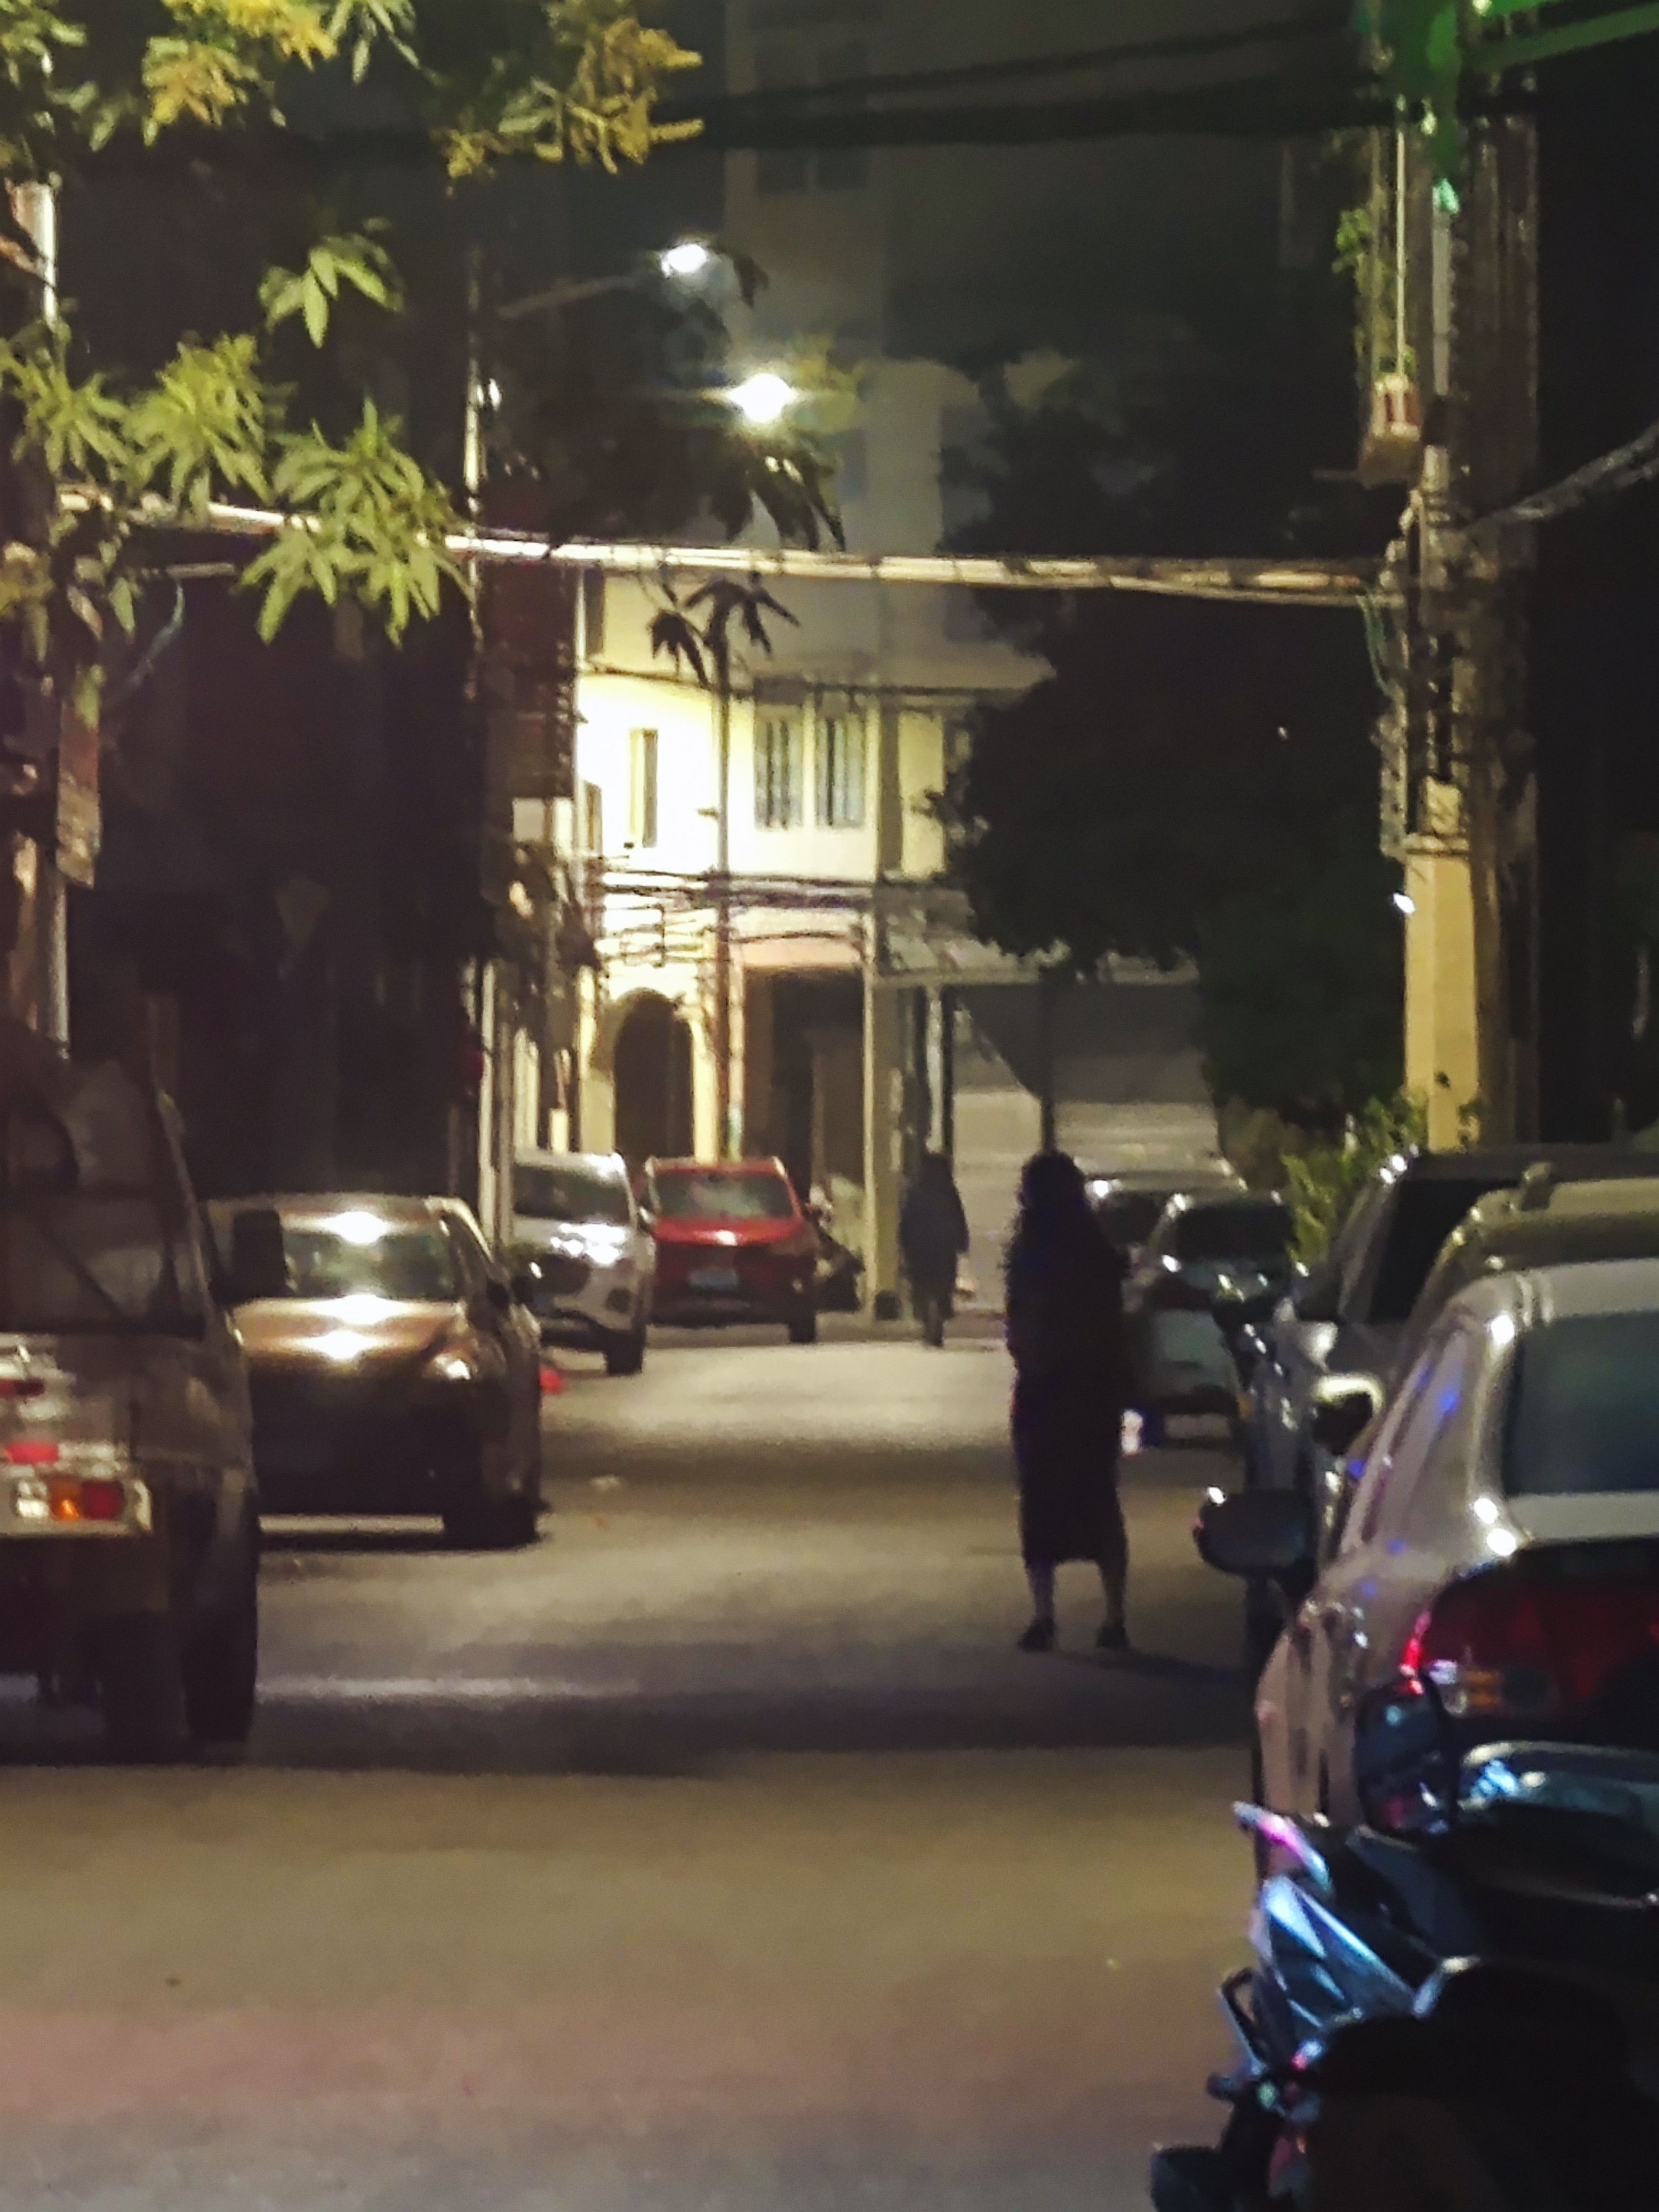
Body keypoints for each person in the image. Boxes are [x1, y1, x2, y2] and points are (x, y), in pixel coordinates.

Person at [1004, 1150, 1130, 1653]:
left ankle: (1045, 1615)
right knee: (1099, 1498)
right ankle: (1114, 1616)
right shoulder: (1096, 1249)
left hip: (1045, 1387)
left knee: (1040, 1500)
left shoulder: (1030, 1251)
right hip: (1094, 1390)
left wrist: (1028, 1354)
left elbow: (1021, 1321)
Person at [900, 1152, 969, 1347]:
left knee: (922, 1286)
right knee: (942, 1286)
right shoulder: (948, 1192)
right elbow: (958, 1219)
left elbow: (907, 1221)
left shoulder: (917, 1191)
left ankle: (927, 1320)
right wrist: (962, 1243)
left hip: (920, 1249)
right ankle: (939, 1317)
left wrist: (905, 1245)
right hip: (944, 1249)